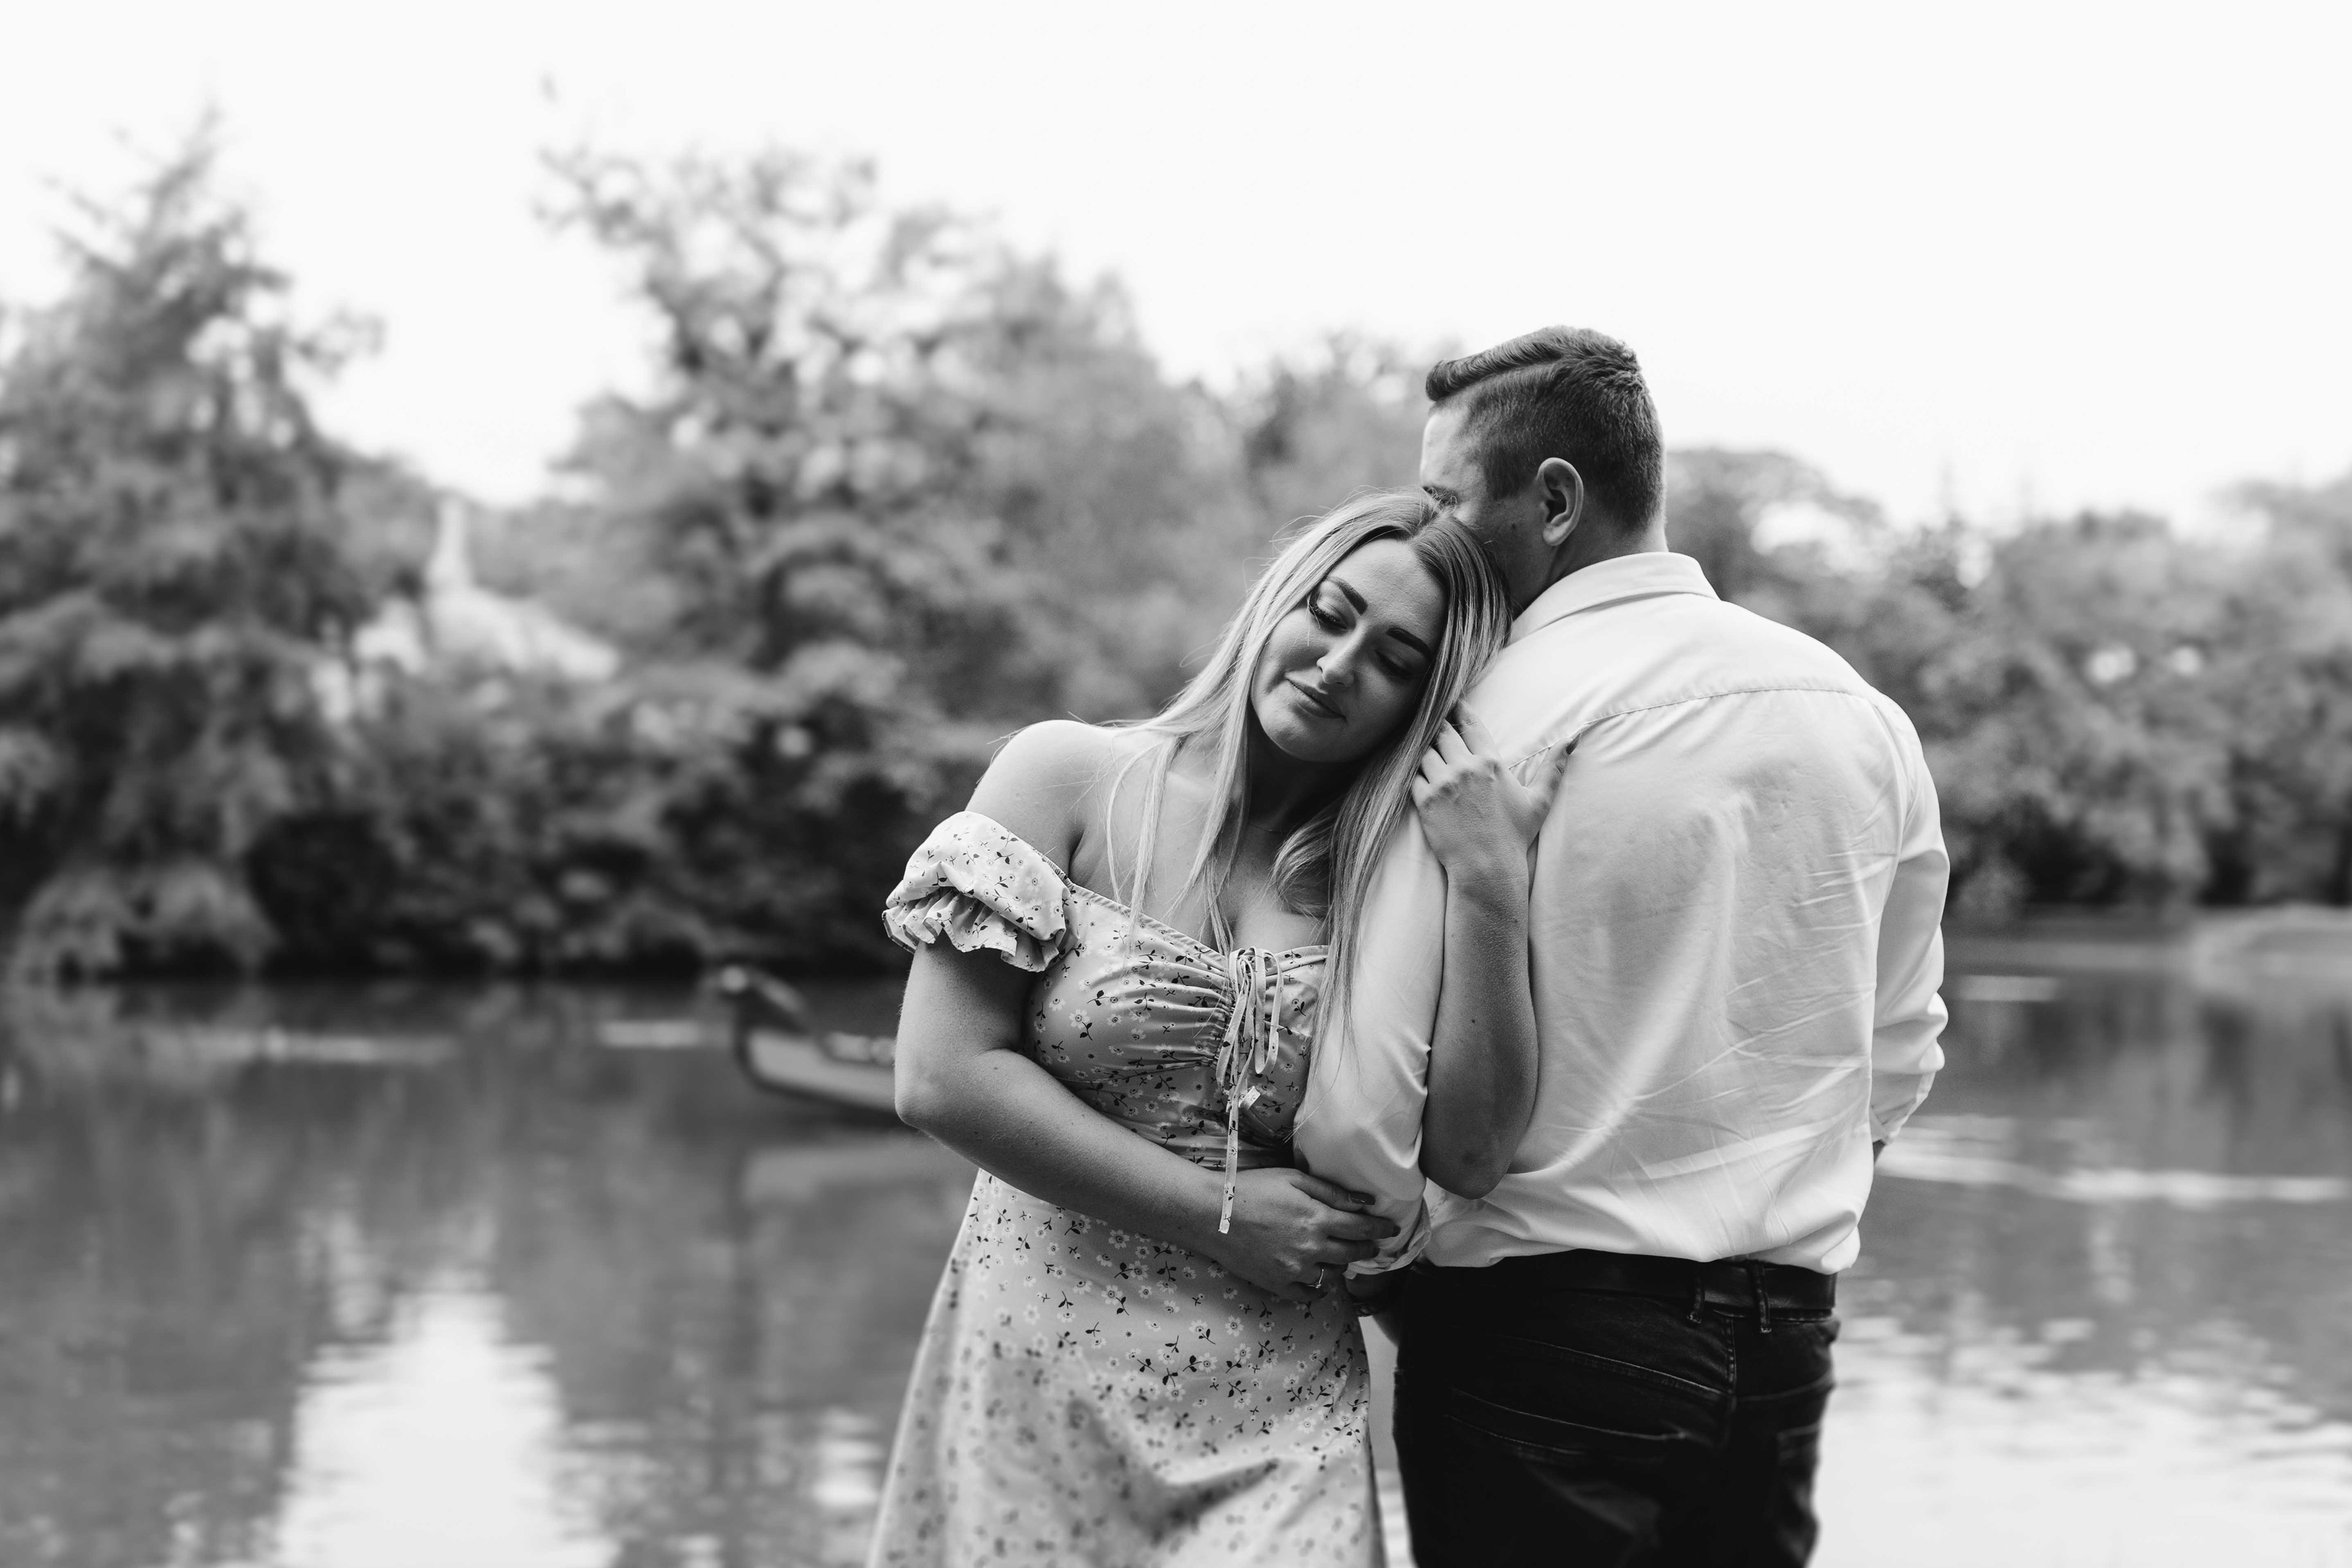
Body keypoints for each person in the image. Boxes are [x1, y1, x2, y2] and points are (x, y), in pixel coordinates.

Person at [1295, 328, 1950, 1566]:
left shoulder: (1479, 723)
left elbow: (1372, 1096)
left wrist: (1385, 1264)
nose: (1434, 539)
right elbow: (1902, 1054)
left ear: (1553, 500)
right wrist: (1770, 1215)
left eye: (1447, 503)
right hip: (1783, 1344)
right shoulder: (1863, 717)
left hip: (1537, 1338)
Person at [867, 489, 1567, 1567]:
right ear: (1276, 600)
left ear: (1425, 704)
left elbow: (1471, 1153)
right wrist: (1220, 1214)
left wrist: (1488, 880)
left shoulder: (1397, 879)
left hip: (1283, 1396)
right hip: (1039, 1370)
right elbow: (942, 1077)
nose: (1338, 665)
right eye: (1329, 614)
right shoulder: (1064, 778)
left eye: (1395, 660)